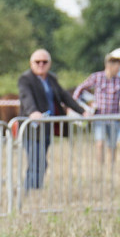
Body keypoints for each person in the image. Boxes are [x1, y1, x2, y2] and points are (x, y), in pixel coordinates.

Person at [18, 49, 86, 190]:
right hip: (32, 128)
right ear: (31, 63)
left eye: (44, 62)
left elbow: (65, 97)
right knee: (35, 162)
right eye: (38, 62)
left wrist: (83, 111)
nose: (41, 64)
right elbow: (26, 97)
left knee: (42, 162)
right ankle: (30, 192)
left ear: (49, 63)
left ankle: (36, 190)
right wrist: (33, 112)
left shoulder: (52, 79)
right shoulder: (25, 79)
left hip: (47, 128)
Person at [73, 55, 120, 164]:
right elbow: (80, 88)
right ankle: (101, 166)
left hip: (114, 117)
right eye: (117, 68)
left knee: (112, 145)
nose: (118, 70)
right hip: (99, 117)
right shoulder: (96, 77)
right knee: (99, 143)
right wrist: (76, 104)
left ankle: (112, 166)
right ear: (109, 66)